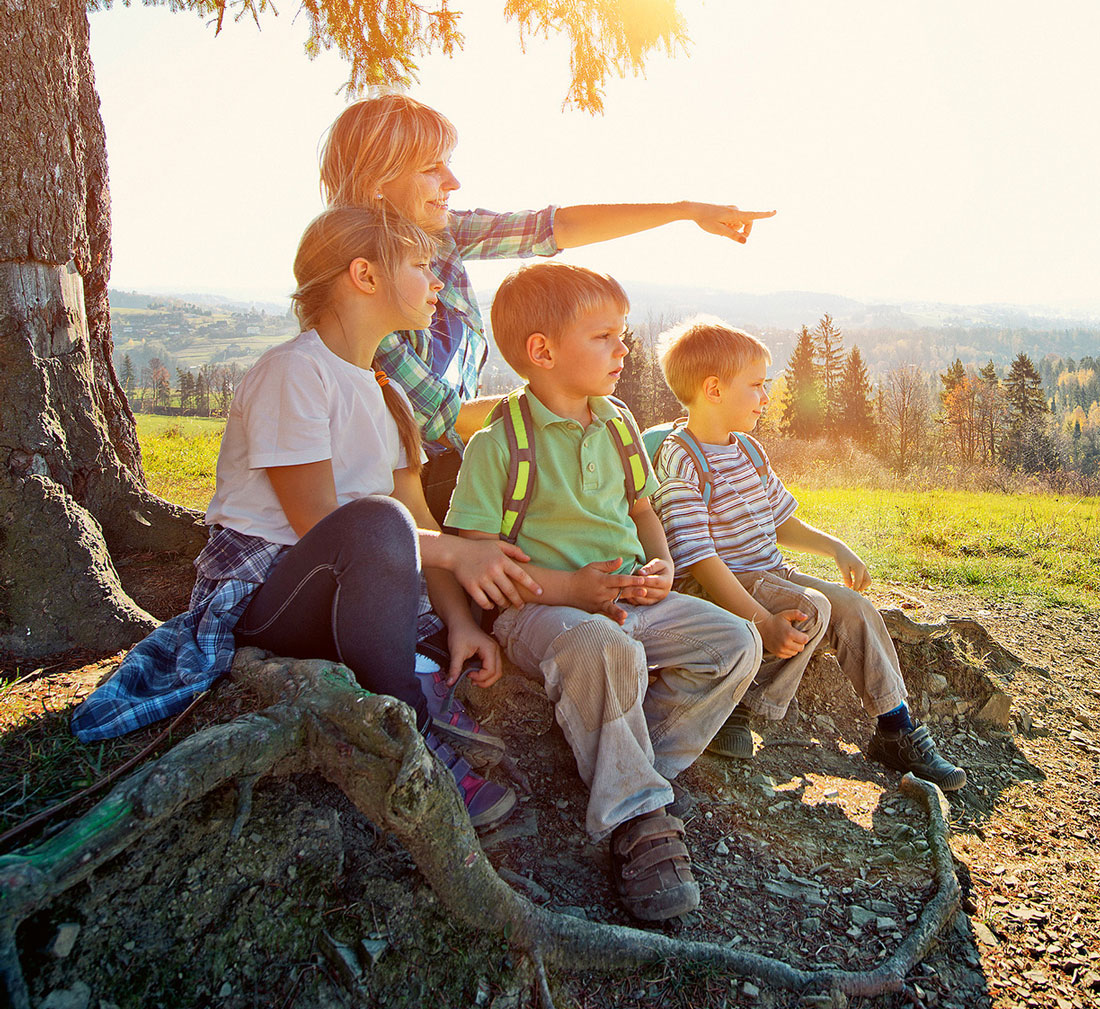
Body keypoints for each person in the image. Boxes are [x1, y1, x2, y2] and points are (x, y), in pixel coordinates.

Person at [72, 208, 543, 829]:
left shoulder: (388, 394)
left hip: (361, 581)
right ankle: (408, 737)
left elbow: (418, 515)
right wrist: (454, 553)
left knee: (468, 565)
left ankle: (429, 661)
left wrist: (460, 619)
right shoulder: (294, 372)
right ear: (364, 275)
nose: (439, 283)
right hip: (273, 593)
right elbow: (318, 521)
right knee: (380, 527)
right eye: (424, 267)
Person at [443, 263, 762, 921]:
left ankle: (626, 770)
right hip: (542, 614)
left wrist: (662, 562)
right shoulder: (500, 442)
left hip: (630, 601)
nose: (624, 349)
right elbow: (461, 559)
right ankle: (641, 822)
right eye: (605, 336)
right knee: (603, 645)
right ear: (543, 351)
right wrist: (567, 587)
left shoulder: (618, 423)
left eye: (623, 335)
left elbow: (643, 510)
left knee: (735, 641)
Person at [319, 92, 774, 522]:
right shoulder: (363, 285)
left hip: (453, 465)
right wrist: (570, 396)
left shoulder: (441, 235)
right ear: (378, 183)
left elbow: (550, 228)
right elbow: (436, 421)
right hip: (403, 491)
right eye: (430, 168)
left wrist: (685, 210)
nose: (452, 182)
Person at [650, 317, 966, 790]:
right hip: (720, 587)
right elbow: (697, 557)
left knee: (855, 607)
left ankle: (894, 726)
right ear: (713, 389)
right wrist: (760, 620)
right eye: (756, 386)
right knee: (809, 610)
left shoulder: (749, 451)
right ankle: (738, 704)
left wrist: (835, 546)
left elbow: (781, 520)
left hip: (771, 574)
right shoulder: (682, 457)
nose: (766, 397)